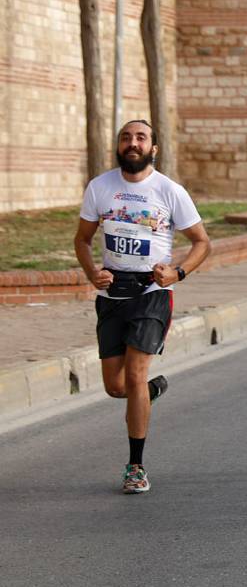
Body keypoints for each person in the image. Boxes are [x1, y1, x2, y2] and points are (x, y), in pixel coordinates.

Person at [74, 119, 210, 494]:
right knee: (116, 387)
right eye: (126, 138)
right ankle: (146, 395)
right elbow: (83, 240)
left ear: (154, 148)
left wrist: (178, 272)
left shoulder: (169, 190)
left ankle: (136, 466)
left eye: (141, 138)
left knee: (134, 375)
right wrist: (92, 273)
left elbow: (201, 242)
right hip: (111, 296)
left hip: (151, 293)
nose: (132, 143)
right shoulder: (100, 187)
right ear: (119, 146)